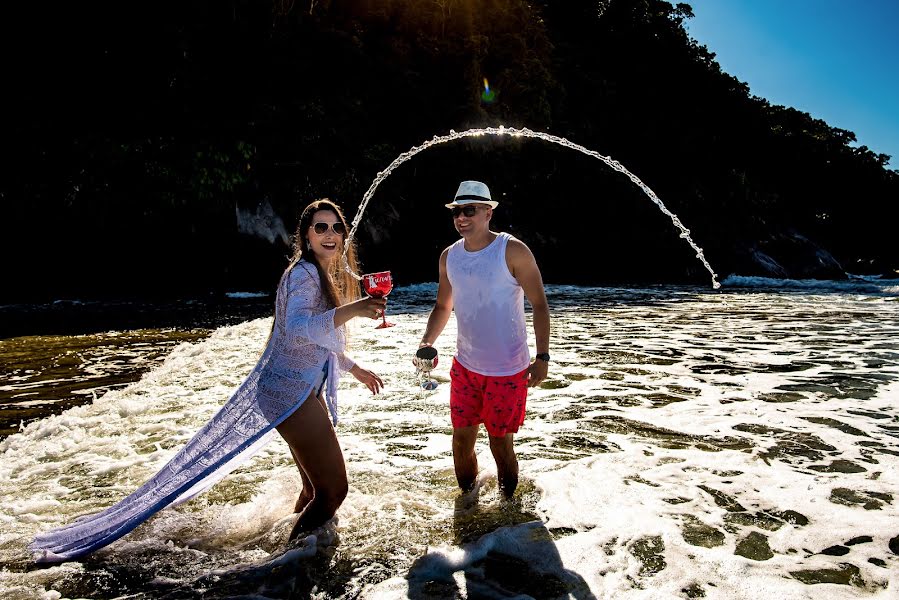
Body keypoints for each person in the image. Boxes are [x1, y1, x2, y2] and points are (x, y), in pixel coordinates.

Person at [30, 198, 385, 562]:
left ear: (345, 236)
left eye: (337, 227)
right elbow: (295, 330)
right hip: (289, 392)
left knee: (314, 491)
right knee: (333, 492)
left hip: (296, 386)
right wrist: (353, 309)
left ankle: (298, 554)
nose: (330, 234)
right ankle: (287, 566)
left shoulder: (319, 273)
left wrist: (352, 367)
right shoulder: (304, 274)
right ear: (306, 236)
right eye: (320, 227)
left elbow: (312, 341)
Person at [418, 181, 550, 498]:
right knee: (460, 441)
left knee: (499, 443)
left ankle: (507, 510)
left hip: (507, 371)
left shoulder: (512, 250)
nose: (461, 218)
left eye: (469, 210)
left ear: (488, 212)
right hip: (465, 367)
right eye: (456, 212)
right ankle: (467, 504)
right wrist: (426, 342)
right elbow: (442, 305)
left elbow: (540, 304)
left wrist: (542, 358)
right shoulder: (449, 257)